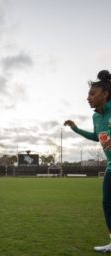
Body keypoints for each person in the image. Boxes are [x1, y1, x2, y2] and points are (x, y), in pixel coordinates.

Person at [64, 70, 111, 253]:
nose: (88, 98)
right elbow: (95, 136)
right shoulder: (96, 117)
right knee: (107, 204)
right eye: (88, 94)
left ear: (105, 94)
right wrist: (75, 128)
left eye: (92, 94)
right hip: (110, 167)